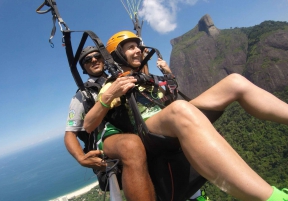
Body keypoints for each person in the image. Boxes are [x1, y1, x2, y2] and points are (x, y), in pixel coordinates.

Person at [83, 30, 288, 201]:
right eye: (130, 47)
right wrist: (109, 95)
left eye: (138, 46)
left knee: (234, 82)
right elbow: (88, 125)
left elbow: (171, 93)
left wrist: (168, 74)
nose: (138, 50)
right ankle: (272, 198)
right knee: (179, 109)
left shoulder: (147, 77)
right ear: (117, 54)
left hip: (169, 118)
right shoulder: (113, 84)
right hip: (147, 130)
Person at [64, 46, 156, 200]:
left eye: (97, 56)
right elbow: (70, 133)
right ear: (84, 68)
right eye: (87, 59)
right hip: (110, 138)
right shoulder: (83, 95)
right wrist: (81, 158)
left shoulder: (120, 77)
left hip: (135, 126)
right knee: (130, 145)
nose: (94, 60)